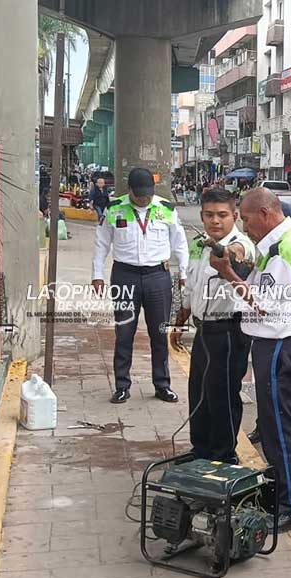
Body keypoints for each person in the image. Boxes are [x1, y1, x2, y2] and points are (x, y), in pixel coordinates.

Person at [209, 187, 291, 531]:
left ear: (264, 213)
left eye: (245, 219)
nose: (244, 228)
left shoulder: (282, 250)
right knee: (287, 427)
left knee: (279, 431)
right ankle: (286, 495)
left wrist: (229, 275)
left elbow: (265, 304)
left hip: (277, 347)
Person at [170, 188, 256, 463]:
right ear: (202, 215)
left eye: (222, 215)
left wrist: (227, 253)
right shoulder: (198, 245)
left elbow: (239, 256)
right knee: (199, 392)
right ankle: (201, 450)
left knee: (223, 396)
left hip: (230, 331)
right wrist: (180, 320)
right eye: (209, 215)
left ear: (235, 216)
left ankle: (223, 455)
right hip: (203, 330)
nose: (215, 221)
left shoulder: (242, 243)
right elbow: (190, 285)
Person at [92, 168, 190, 404]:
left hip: (158, 276)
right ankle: (122, 385)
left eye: (147, 195)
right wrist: (97, 275)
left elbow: (180, 243)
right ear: (130, 191)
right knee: (124, 333)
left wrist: (184, 273)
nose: (143, 199)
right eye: (139, 195)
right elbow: (101, 244)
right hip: (125, 275)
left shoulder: (166, 209)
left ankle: (162, 385)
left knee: (159, 333)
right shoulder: (114, 209)